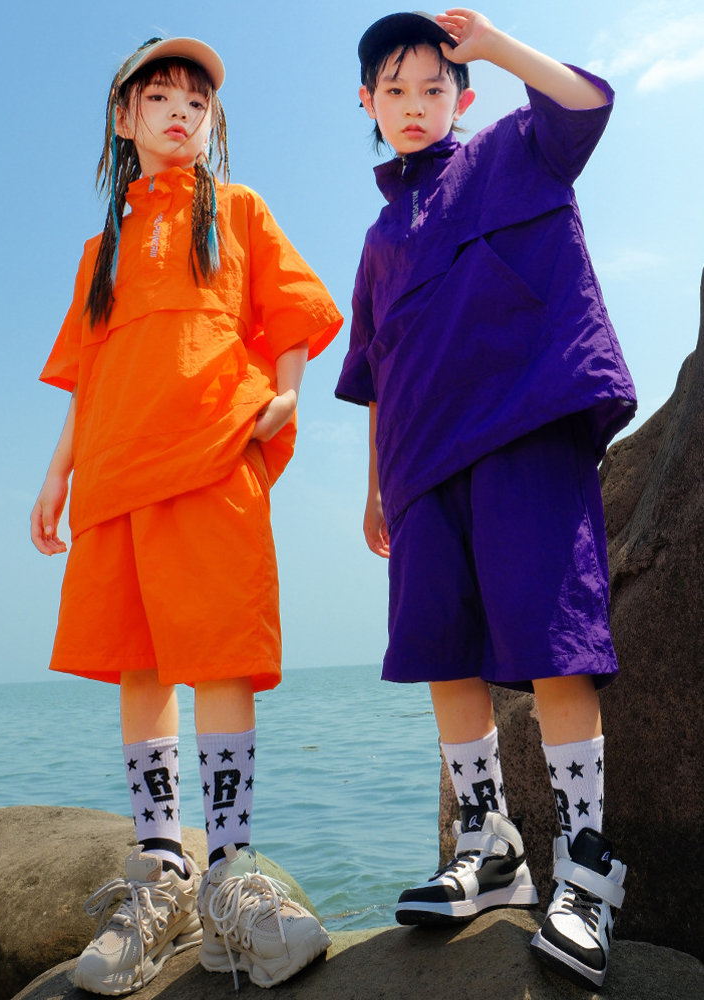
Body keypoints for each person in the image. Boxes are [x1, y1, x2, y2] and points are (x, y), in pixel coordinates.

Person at [31, 35, 342, 996]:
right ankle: (163, 872)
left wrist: (285, 396)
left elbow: (294, 310)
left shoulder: (239, 210)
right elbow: (87, 376)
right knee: (141, 659)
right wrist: (56, 476)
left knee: (220, 653)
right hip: (115, 471)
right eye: (160, 97)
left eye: (196, 103)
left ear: (212, 124)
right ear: (125, 118)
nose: (180, 113)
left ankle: (232, 874)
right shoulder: (102, 251)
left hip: (213, 455)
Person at [335, 9, 633, 990]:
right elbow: (376, 373)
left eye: (433, 88)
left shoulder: (513, 150)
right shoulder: (379, 239)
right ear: (368, 103)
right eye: (395, 91)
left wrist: (499, 46)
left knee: (555, 645)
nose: (414, 106)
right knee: (443, 650)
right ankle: (490, 845)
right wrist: (377, 487)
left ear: (460, 96)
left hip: (525, 428)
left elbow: (586, 103)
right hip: (421, 465)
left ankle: (585, 873)